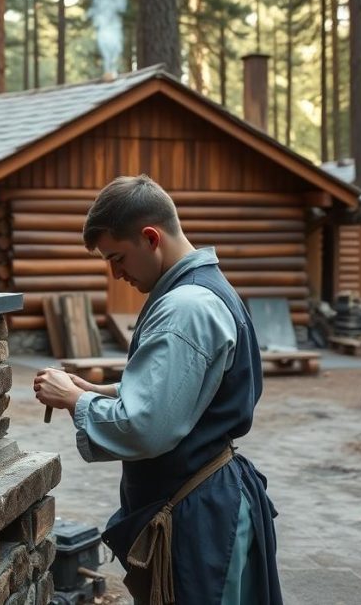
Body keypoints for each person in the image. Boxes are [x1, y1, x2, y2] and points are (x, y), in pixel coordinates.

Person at [33, 175, 282, 604]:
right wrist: (98, 390)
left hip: (200, 516)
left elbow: (146, 426)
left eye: (117, 257)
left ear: (150, 237)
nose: (115, 273)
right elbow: (188, 392)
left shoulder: (185, 307)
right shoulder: (203, 290)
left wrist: (75, 400)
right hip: (207, 501)